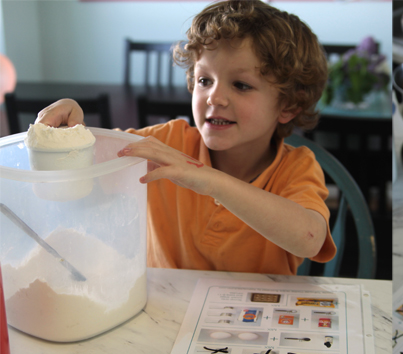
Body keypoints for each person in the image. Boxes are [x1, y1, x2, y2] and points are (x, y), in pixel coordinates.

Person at [35, 0, 335, 275]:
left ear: (288, 106)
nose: (214, 97)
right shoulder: (166, 144)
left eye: (241, 85)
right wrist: (68, 133)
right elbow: (85, 163)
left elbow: (309, 239)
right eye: (205, 80)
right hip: (166, 316)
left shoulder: (297, 167)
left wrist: (209, 180)